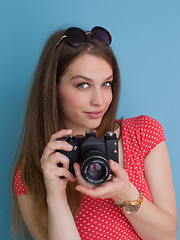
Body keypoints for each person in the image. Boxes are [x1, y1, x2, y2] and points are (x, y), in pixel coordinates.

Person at [12, 26, 177, 240]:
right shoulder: (32, 172)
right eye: (83, 85)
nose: (99, 100)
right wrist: (56, 195)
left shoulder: (143, 134)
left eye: (106, 83)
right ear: (53, 88)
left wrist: (125, 194)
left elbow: (168, 236)